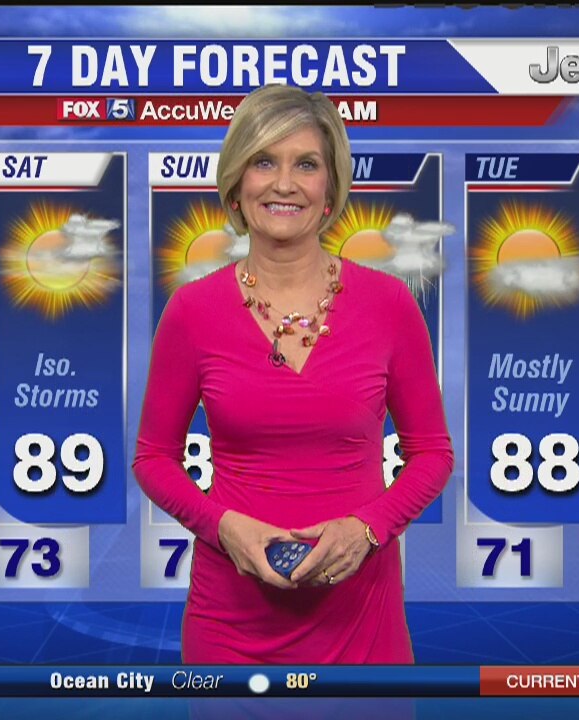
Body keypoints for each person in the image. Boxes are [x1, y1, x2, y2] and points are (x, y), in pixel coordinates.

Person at [133, 84, 453, 664]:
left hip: (362, 625)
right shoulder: (192, 312)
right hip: (231, 629)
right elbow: (153, 458)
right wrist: (222, 527)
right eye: (263, 162)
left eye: (305, 164)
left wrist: (369, 529)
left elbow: (432, 453)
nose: (284, 183)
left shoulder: (389, 304)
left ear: (330, 188)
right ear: (237, 184)